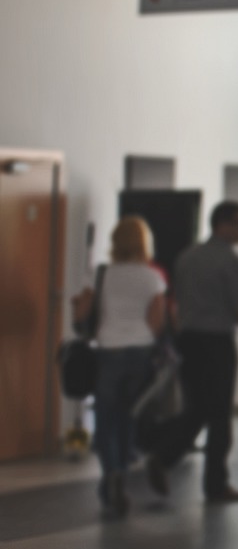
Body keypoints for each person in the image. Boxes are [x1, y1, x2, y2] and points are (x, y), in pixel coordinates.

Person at [146, 200, 238, 504]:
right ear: (224, 224)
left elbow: (176, 302)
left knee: (196, 408)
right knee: (219, 415)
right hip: (218, 343)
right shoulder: (230, 261)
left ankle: (164, 457)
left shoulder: (186, 257)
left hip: (189, 342)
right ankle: (215, 484)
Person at [72, 217, 166, 518]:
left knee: (106, 418)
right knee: (129, 417)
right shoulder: (152, 278)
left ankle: (111, 472)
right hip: (140, 353)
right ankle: (122, 472)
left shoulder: (101, 274)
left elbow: (82, 312)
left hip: (108, 351)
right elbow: (157, 322)